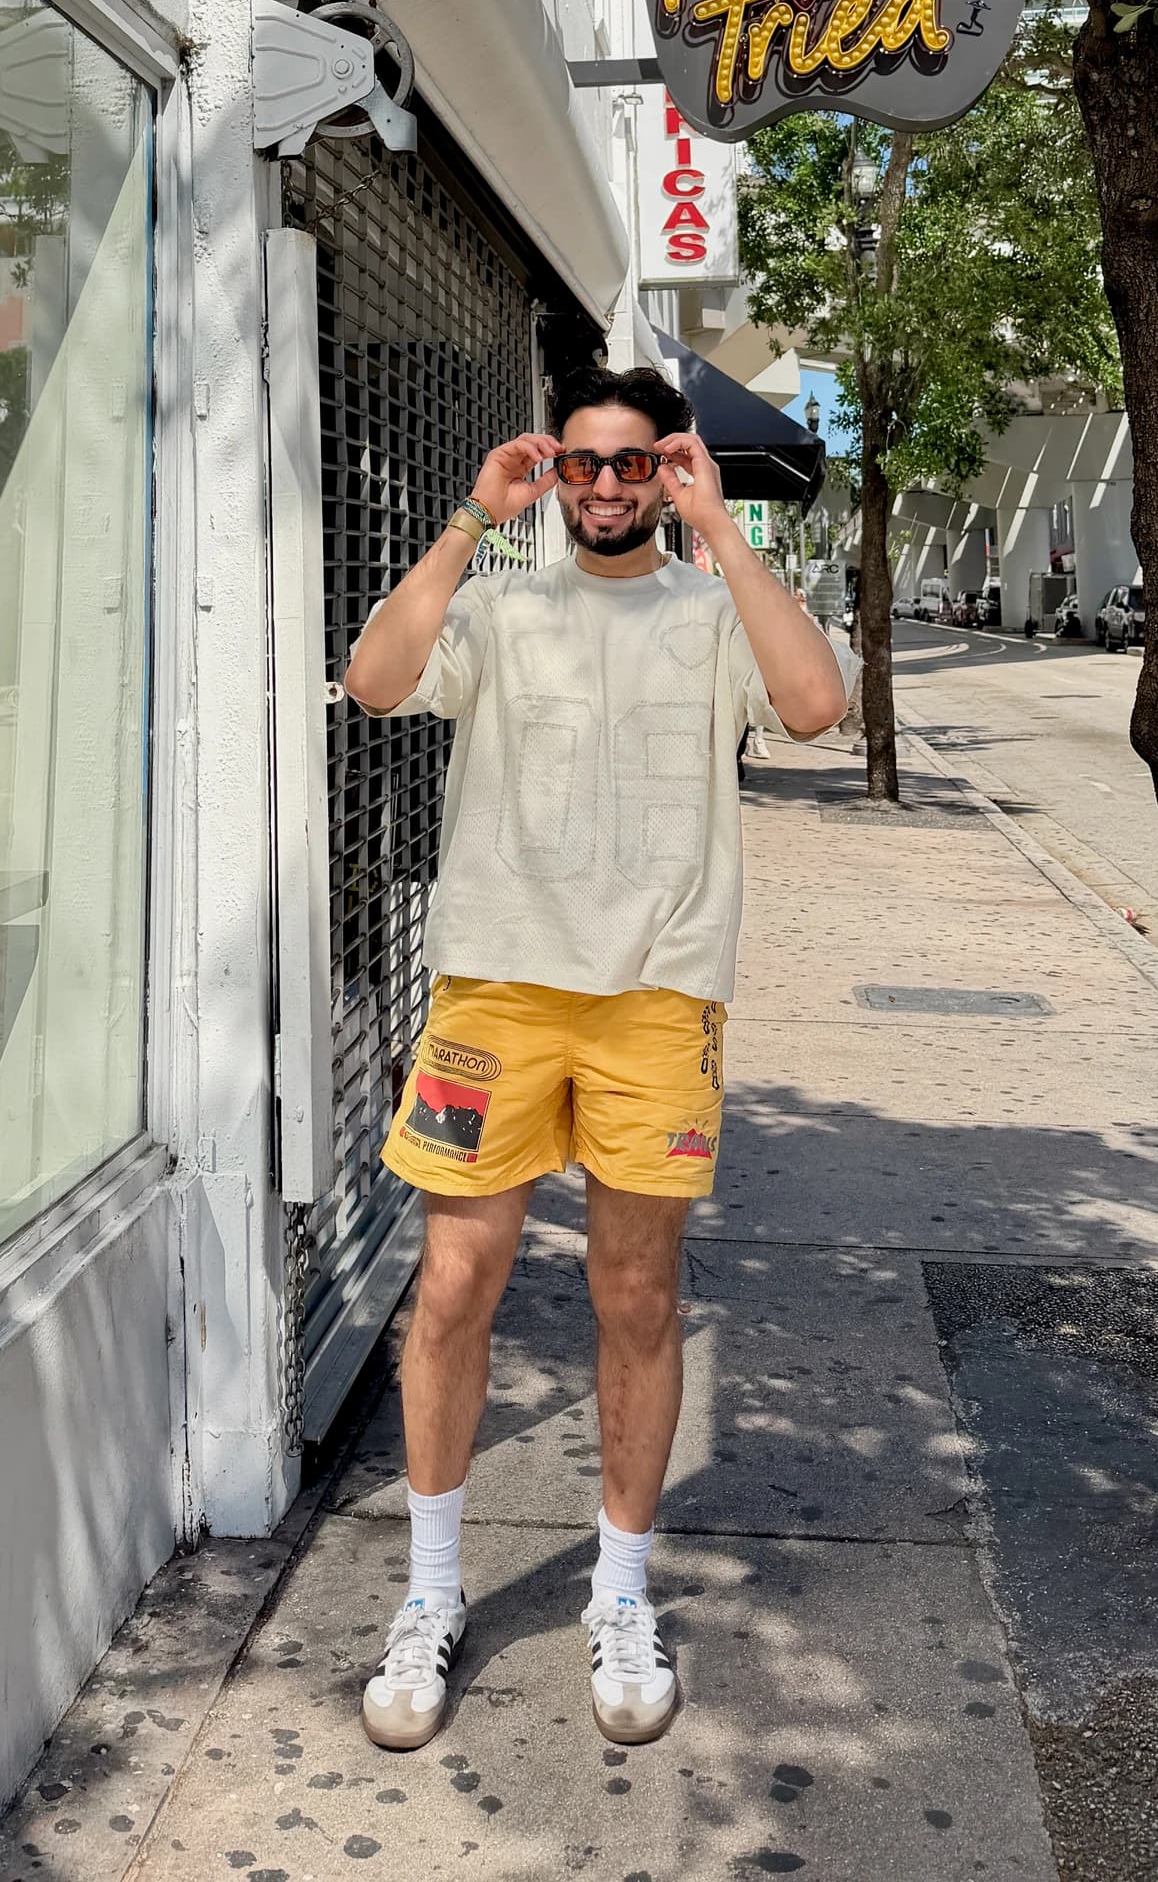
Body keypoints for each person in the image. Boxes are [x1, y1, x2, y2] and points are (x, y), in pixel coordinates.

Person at [341, 365, 854, 1756]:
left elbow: (814, 708)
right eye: (585, 463)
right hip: (494, 991)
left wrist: (727, 531)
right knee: (454, 1284)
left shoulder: (708, 613)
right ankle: (432, 1593)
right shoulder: (500, 602)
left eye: (634, 462)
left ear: (663, 470)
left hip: (653, 1000)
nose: (610, 484)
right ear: (554, 472)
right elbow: (373, 680)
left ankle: (617, 1597)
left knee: (636, 1294)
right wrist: (468, 520)